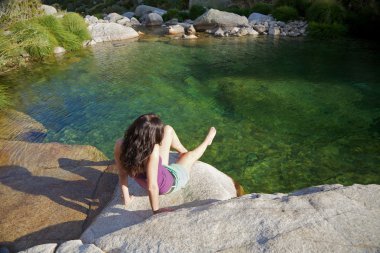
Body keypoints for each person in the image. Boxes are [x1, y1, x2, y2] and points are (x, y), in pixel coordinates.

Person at [114, 113, 216, 215]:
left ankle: (182, 151)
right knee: (190, 156)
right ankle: (207, 141)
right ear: (151, 137)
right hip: (169, 183)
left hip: (158, 171)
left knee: (168, 129)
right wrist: (156, 211)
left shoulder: (120, 144)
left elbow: (122, 173)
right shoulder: (152, 151)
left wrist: (126, 198)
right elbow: (152, 186)